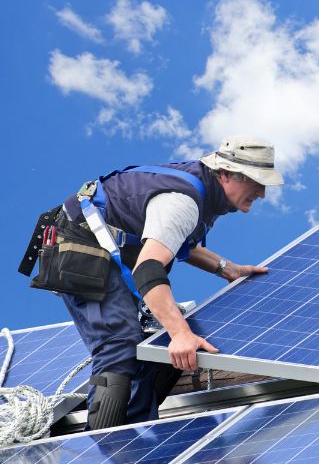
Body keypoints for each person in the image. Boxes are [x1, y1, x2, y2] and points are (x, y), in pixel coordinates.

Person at [25, 136, 283, 430]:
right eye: (255, 181)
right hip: (79, 246)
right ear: (224, 174)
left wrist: (226, 268)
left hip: (105, 247)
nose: (261, 192)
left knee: (153, 347)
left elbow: (176, 241)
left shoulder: (204, 194)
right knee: (120, 342)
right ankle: (104, 444)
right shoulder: (183, 201)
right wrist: (180, 333)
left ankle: (134, 441)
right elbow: (148, 267)